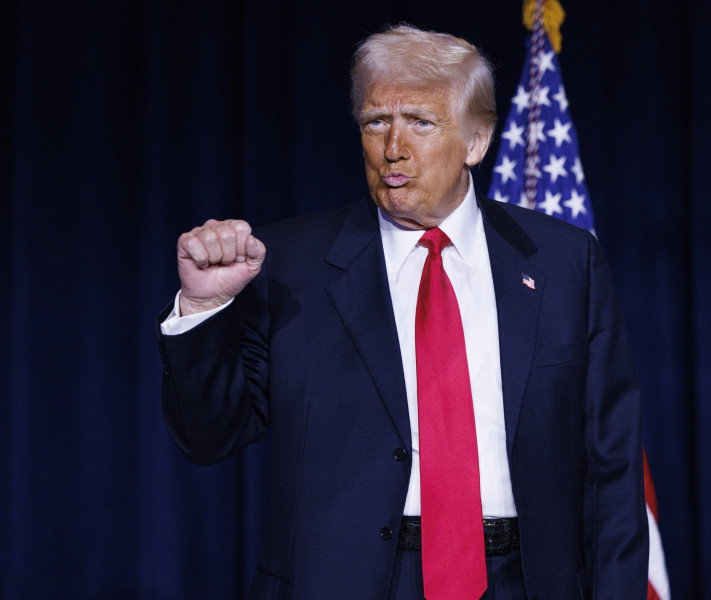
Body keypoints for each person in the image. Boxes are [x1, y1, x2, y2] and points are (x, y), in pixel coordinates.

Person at [158, 24, 648, 600]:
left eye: (420, 121)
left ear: (476, 140)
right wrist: (205, 305)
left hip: (524, 580)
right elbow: (209, 437)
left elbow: (611, 471)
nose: (394, 147)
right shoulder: (290, 265)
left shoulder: (565, 262)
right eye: (375, 122)